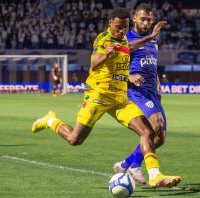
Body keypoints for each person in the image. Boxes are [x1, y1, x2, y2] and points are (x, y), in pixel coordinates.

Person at [31, 7, 181, 188]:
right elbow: (93, 63)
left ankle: (155, 175)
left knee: (148, 131)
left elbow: (129, 46)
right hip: (98, 96)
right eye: (118, 27)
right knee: (74, 140)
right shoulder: (103, 39)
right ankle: (50, 120)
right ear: (110, 23)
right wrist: (105, 55)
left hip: (119, 99)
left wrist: (150, 37)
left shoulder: (124, 39)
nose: (122, 31)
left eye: (124, 27)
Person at [113, 3, 178, 185]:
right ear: (134, 18)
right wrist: (129, 76)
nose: (146, 22)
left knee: (160, 138)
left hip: (151, 92)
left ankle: (127, 164)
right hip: (136, 91)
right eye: (142, 19)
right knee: (155, 124)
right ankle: (151, 174)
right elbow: (114, 65)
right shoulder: (126, 38)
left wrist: (157, 83)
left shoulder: (153, 41)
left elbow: (151, 64)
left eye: (149, 19)